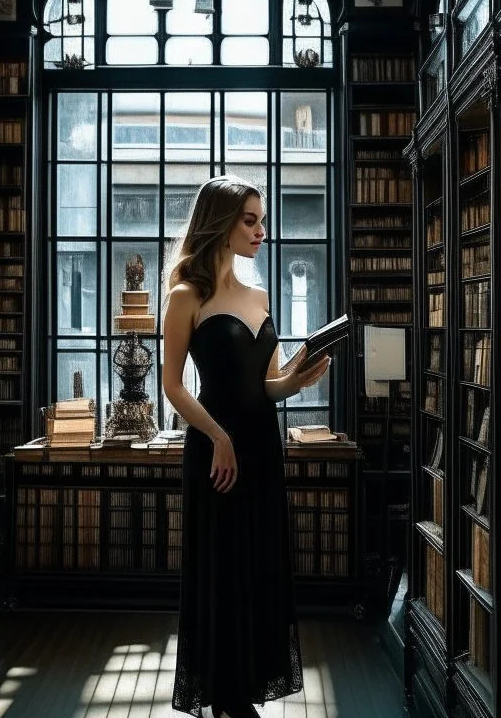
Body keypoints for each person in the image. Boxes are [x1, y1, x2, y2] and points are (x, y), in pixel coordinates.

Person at [163, 175, 332, 718]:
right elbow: (172, 386)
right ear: (222, 221)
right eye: (251, 220)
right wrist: (217, 436)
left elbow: (266, 384)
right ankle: (225, 694)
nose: (262, 231)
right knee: (222, 566)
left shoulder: (258, 294)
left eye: (263, 221)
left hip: (262, 448)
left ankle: (246, 687)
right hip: (217, 451)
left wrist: (298, 382)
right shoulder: (186, 295)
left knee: (258, 565)